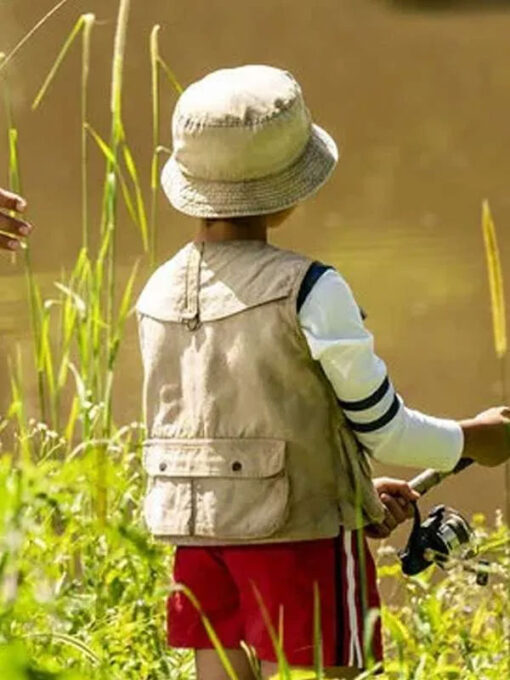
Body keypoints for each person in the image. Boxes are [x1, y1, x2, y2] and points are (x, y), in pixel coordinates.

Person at [136, 65, 510, 680]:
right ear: (290, 194)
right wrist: (477, 439)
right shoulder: (309, 287)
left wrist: (356, 493)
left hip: (198, 538)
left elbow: (227, 433)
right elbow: (385, 431)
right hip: (301, 540)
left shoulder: (156, 291)